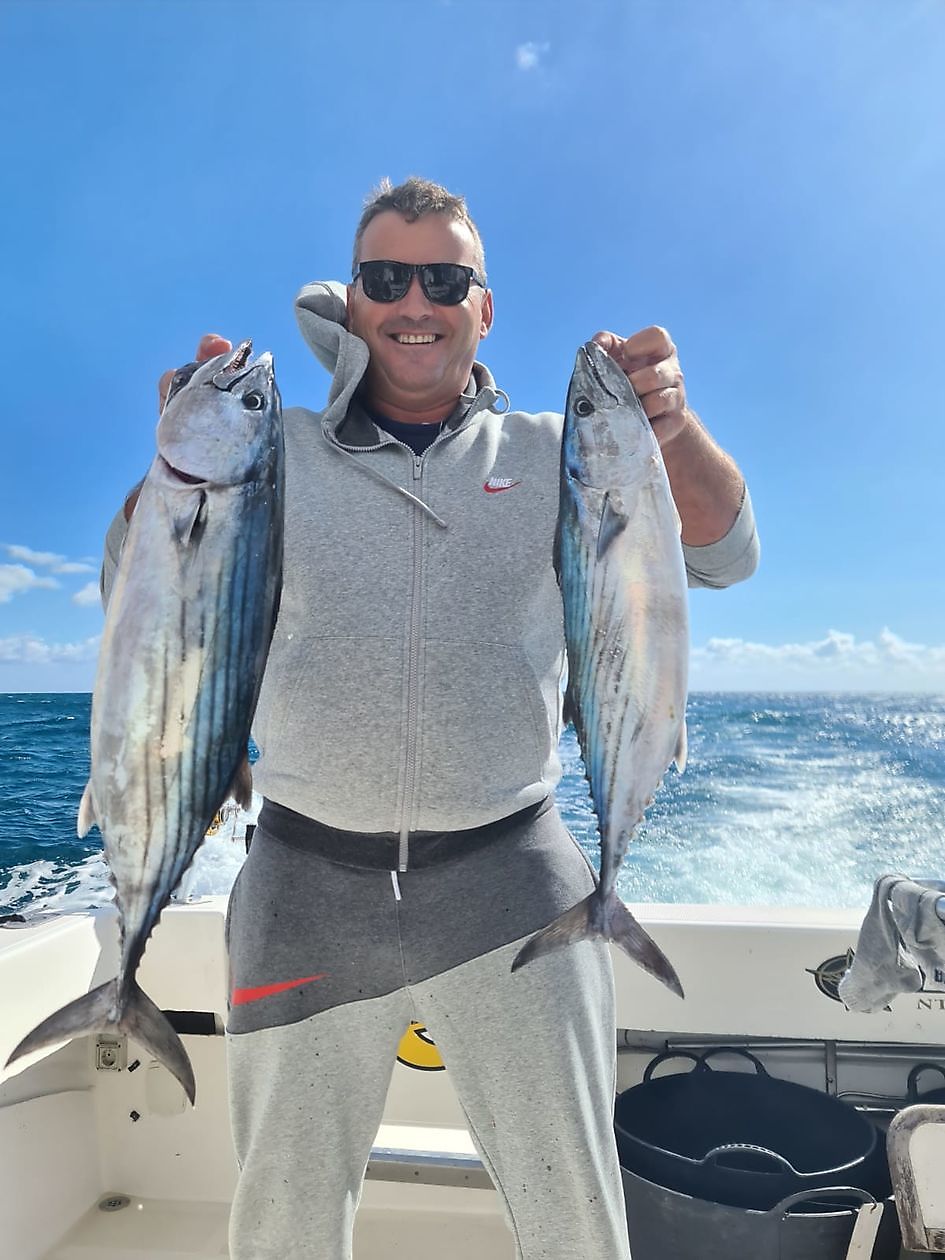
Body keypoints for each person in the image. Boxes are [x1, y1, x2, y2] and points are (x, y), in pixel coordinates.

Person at [103, 177, 759, 1260]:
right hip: (304, 883)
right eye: (387, 276)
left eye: (445, 281)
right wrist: (177, 458)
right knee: (282, 1220)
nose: (416, 301)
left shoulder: (557, 449)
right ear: (353, 299)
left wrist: (673, 428)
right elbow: (133, 593)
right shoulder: (273, 451)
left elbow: (727, 556)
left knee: (573, 1212)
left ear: (483, 309)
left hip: (514, 876)